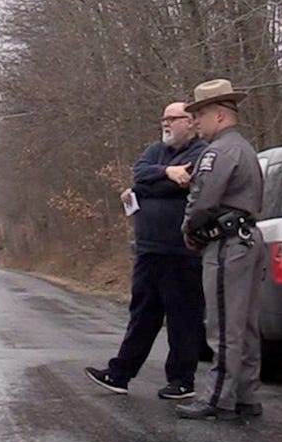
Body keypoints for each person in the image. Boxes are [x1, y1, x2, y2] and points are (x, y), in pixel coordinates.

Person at [86, 102, 208, 399]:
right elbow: (139, 175)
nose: (166, 124)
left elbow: (184, 185)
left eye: (173, 119)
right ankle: (119, 374)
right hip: (148, 250)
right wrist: (167, 172)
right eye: (163, 119)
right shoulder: (155, 151)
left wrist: (152, 185)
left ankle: (181, 380)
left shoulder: (201, 152)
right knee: (141, 314)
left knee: (183, 317)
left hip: (181, 251)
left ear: (191, 122)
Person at [174, 79, 267, 422]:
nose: (196, 122)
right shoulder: (244, 148)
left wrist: (189, 229)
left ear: (219, 115)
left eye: (199, 115)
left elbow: (203, 199)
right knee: (245, 323)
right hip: (247, 239)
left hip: (228, 244)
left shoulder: (218, 152)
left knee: (224, 322)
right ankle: (245, 394)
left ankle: (218, 397)